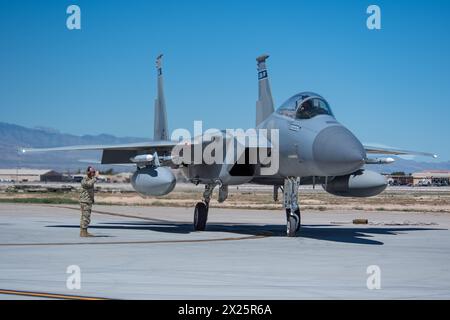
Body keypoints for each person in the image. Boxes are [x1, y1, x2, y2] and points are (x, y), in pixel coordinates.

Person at [79, 166, 99, 237]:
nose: (94, 173)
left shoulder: (90, 179)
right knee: (86, 217)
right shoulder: (85, 180)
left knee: (85, 217)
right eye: (92, 172)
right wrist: (95, 178)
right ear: (88, 172)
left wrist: (92, 199)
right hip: (85, 202)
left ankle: (83, 232)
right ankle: (83, 232)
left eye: (94, 172)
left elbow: (90, 191)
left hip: (88, 201)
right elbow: (88, 185)